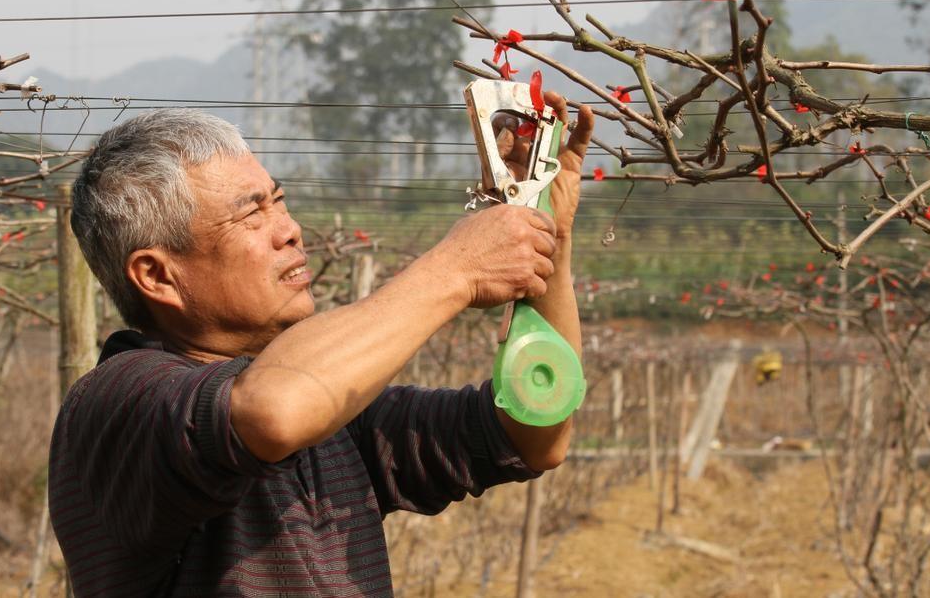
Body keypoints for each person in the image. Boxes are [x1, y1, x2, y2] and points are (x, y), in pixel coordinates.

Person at [48, 95, 594, 596]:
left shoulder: (333, 414)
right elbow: (272, 412)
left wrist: (549, 234)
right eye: (249, 213)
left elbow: (533, 434)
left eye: (279, 201)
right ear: (158, 276)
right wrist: (457, 269)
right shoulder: (118, 401)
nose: (289, 229)